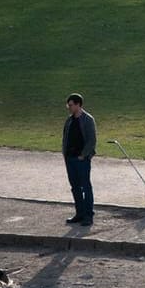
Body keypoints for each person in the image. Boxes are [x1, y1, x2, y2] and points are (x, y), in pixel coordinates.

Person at [61, 94, 96, 226]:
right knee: (75, 187)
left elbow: (92, 140)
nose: (69, 108)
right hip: (70, 158)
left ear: (78, 104)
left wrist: (83, 155)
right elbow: (65, 137)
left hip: (81, 159)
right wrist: (65, 153)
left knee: (86, 186)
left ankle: (88, 215)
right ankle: (79, 213)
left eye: (70, 105)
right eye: (68, 105)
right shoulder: (69, 120)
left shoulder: (88, 120)